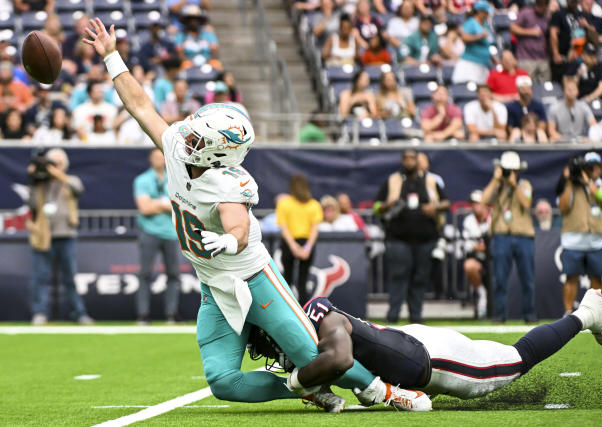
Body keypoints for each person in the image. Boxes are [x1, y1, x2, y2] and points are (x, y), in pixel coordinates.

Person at [83, 17, 415, 411]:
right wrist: (112, 57)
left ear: (218, 153)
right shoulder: (175, 146)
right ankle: (304, 389)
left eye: (199, 138)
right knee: (224, 381)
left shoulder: (228, 182)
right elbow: (140, 104)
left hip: (253, 279)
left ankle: (384, 391)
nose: (186, 135)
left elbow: (237, 225)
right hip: (215, 286)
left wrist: (228, 239)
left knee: (315, 356)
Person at [249, 288, 602, 407]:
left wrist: (297, 382)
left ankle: (586, 313)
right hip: (407, 347)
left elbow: (341, 358)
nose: (271, 350)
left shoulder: (320, 315)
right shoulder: (313, 321)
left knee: (517, 359)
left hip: (433, 358)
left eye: (267, 340)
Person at [374, 149, 449, 323]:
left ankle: (416, 318)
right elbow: (376, 207)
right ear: (401, 161)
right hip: (398, 239)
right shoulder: (393, 180)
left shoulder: (430, 181)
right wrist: (388, 204)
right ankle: (392, 317)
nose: (409, 162)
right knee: (398, 278)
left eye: (412, 158)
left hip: (426, 239)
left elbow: (447, 202)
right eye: (405, 158)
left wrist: (435, 207)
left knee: (420, 279)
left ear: (417, 161)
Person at [26, 148, 92, 326]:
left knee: (70, 278)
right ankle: (40, 312)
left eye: (57, 163)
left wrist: (57, 173)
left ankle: (79, 313)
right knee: (40, 276)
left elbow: (78, 189)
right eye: (51, 163)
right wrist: (33, 179)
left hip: (66, 234)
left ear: (64, 165)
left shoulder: (70, 180)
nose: (52, 167)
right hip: (43, 235)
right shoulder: (40, 183)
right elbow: (31, 204)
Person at [481, 151, 536, 323]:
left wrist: (514, 185)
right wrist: (496, 179)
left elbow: (527, 203)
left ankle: (529, 314)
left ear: (518, 171)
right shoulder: (497, 186)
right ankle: (499, 315)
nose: (510, 173)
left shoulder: (525, 184)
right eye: (507, 170)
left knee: (527, 279)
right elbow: (483, 200)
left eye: (513, 170)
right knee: (500, 279)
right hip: (501, 235)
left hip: (523, 236)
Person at [558, 152, 602, 315]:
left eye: (594, 166)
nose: (592, 169)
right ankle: (568, 313)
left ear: (600, 168)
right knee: (571, 278)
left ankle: (596, 314)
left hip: (597, 241)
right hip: (573, 241)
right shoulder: (571, 186)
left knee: (596, 278)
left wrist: (588, 182)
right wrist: (569, 182)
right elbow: (562, 207)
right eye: (588, 166)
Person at [133, 149, 181, 324]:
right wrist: (166, 204)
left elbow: (181, 206)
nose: (160, 160)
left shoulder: (176, 179)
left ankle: (171, 314)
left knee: (173, 274)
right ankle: (143, 314)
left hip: (172, 233)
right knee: (145, 274)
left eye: (162, 157)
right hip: (149, 231)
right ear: (150, 160)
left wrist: (156, 203)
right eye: (157, 157)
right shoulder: (143, 180)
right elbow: (144, 208)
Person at [276, 175, 323, 305]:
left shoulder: (284, 203)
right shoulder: (314, 205)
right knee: (303, 281)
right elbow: (314, 230)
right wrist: (307, 248)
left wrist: (293, 246)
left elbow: (284, 228)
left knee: (287, 280)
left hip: (289, 243)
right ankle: (305, 313)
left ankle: (286, 309)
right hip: (306, 243)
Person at [549, 0, 599, 84]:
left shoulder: (583, 15)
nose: (573, 2)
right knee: (566, 83)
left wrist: (587, 26)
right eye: (571, 1)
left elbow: (594, 36)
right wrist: (556, 53)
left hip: (581, 57)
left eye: (575, 1)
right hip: (565, 58)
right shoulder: (559, 14)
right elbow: (553, 33)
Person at [462, 190, 490, 318]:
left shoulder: (493, 218)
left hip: (495, 259)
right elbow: (467, 245)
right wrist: (483, 247)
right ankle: (481, 293)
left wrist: (484, 247)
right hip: (479, 259)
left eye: (478, 203)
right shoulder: (468, 221)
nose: (475, 206)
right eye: (473, 204)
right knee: (469, 266)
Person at [452, 0, 494, 85]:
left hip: (483, 63)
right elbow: (464, 38)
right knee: (468, 89)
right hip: (470, 63)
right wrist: (479, 36)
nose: (487, 15)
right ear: (479, 11)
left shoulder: (485, 24)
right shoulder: (471, 22)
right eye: (486, 12)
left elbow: (486, 44)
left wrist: (492, 57)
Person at [510, 0, 550, 83]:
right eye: (540, 5)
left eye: (544, 5)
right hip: (526, 58)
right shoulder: (526, 13)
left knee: (544, 89)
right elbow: (513, 28)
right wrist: (530, 32)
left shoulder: (547, 17)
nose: (542, 7)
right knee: (525, 86)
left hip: (543, 58)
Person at [548, 78, 596, 143]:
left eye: (573, 89)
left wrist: (589, 138)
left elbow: (594, 125)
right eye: (569, 89)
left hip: (580, 139)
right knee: (551, 139)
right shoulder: (554, 108)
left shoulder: (583, 106)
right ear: (564, 91)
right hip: (561, 139)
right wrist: (562, 139)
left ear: (577, 91)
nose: (571, 92)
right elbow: (551, 130)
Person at [175, 4, 221, 70]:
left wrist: (208, 62)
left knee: (216, 64)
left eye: (196, 19)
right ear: (186, 21)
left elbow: (214, 52)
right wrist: (190, 63)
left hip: (207, 64)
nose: (193, 21)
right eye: (190, 19)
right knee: (184, 65)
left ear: (200, 20)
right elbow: (180, 54)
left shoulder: (209, 35)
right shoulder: (181, 36)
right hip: (190, 66)